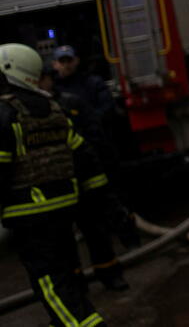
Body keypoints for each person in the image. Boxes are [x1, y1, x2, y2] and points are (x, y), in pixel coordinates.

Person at [0, 44, 110, 326]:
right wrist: (107, 204)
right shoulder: (54, 108)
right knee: (67, 280)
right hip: (64, 210)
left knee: (51, 286)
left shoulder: (5, 115)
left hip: (30, 216)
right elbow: (84, 157)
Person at [43, 59, 132, 292]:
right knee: (63, 242)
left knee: (96, 230)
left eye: (45, 78)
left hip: (82, 181)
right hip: (55, 187)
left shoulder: (70, 103)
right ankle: (75, 284)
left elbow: (94, 140)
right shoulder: (30, 111)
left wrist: (103, 178)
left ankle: (110, 274)